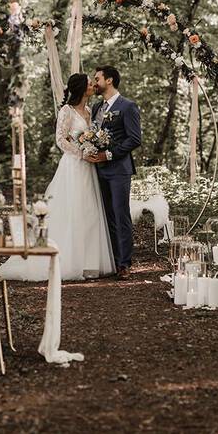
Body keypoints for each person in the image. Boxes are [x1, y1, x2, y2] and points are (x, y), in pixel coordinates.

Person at [0, 73, 116, 281]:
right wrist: (81, 153)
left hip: (89, 169)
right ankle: (67, 260)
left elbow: (93, 137)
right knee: (71, 210)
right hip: (73, 166)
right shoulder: (66, 111)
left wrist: (93, 149)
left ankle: (89, 263)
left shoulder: (89, 111)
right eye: (89, 84)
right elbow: (60, 140)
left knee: (89, 211)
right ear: (80, 88)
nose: (92, 86)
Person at [86, 65, 142, 280]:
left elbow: (134, 139)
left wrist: (108, 155)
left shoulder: (128, 106)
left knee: (121, 214)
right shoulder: (97, 107)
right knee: (106, 215)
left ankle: (124, 263)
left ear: (109, 80)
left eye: (97, 78)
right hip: (98, 169)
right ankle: (113, 259)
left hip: (118, 169)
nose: (94, 82)